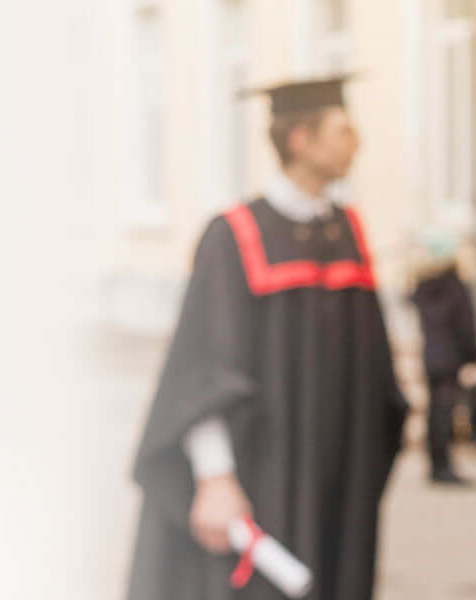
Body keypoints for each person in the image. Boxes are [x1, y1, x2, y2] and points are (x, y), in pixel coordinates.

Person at [127, 75, 407, 600]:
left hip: (335, 485)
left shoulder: (347, 232)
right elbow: (203, 368)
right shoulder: (235, 235)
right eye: (342, 130)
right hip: (261, 479)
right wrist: (215, 478)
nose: (357, 142)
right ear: (301, 140)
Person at [410, 229, 476, 486]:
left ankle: (436, 464)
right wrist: (474, 354)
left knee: (435, 412)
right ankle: (444, 467)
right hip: (451, 357)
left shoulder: (423, 287)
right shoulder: (455, 286)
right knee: (445, 412)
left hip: (430, 356)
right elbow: (465, 323)